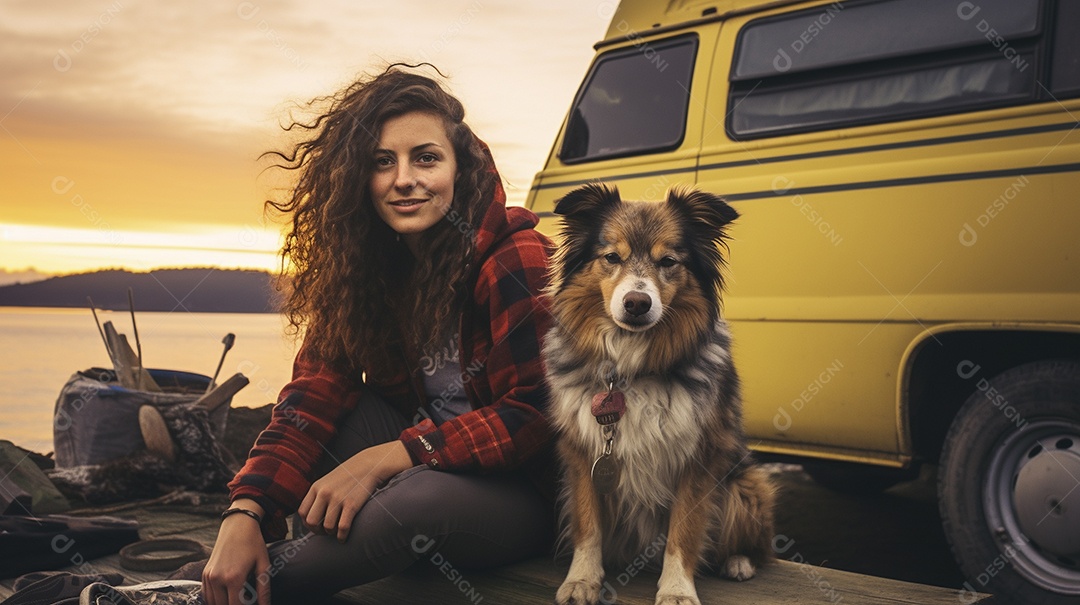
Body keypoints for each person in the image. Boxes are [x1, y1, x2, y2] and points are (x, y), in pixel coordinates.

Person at [200, 64, 555, 605]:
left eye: (426, 158)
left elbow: (537, 413)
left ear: (464, 168)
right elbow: (310, 398)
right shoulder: (365, 273)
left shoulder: (517, 258)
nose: (403, 179)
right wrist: (246, 509)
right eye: (382, 162)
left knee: (419, 501)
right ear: (358, 179)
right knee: (325, 423)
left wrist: (392, 456)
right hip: (423, 459)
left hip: (526, 495)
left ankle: (206, 592)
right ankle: (256, 567)